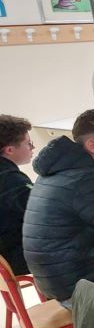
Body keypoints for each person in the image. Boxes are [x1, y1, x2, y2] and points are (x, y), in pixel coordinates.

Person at [23, 109, 94, 304]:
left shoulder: (59, 169)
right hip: (79, 288)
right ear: (93, 145)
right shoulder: (88, 180)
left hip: (55, 281)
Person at [0, 116, 33, 275]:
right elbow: (40, 209)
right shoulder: (11, 180)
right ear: (10, 150)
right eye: (28, 143)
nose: (32, 147)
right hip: (17, 258)